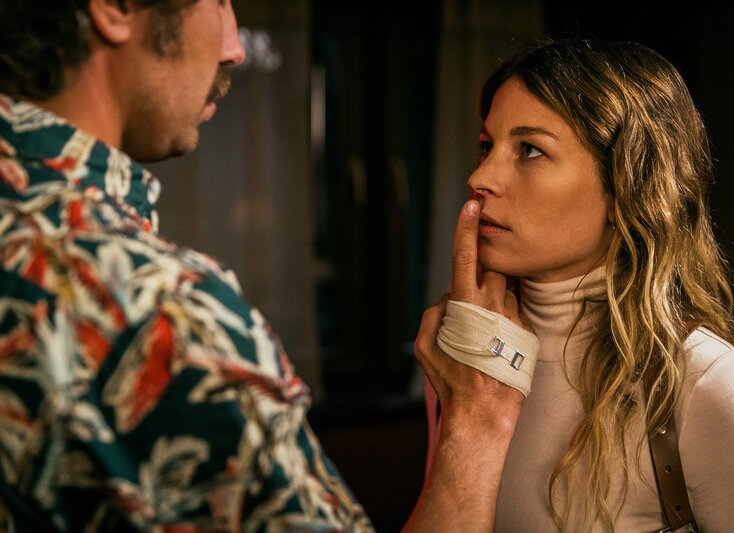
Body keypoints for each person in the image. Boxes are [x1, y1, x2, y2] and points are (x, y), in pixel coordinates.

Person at [0, 0, 523, 530]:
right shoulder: (159, 307)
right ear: (116, 7)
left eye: (529, 150)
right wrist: (478, 418)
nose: (235, 47)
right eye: (219, 1)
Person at [412, 39, 734, 532]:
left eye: (529, 150)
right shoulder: (465, 361)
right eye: (487, 146)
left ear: (627, 187)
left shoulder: (701, 382)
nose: (479, 176)